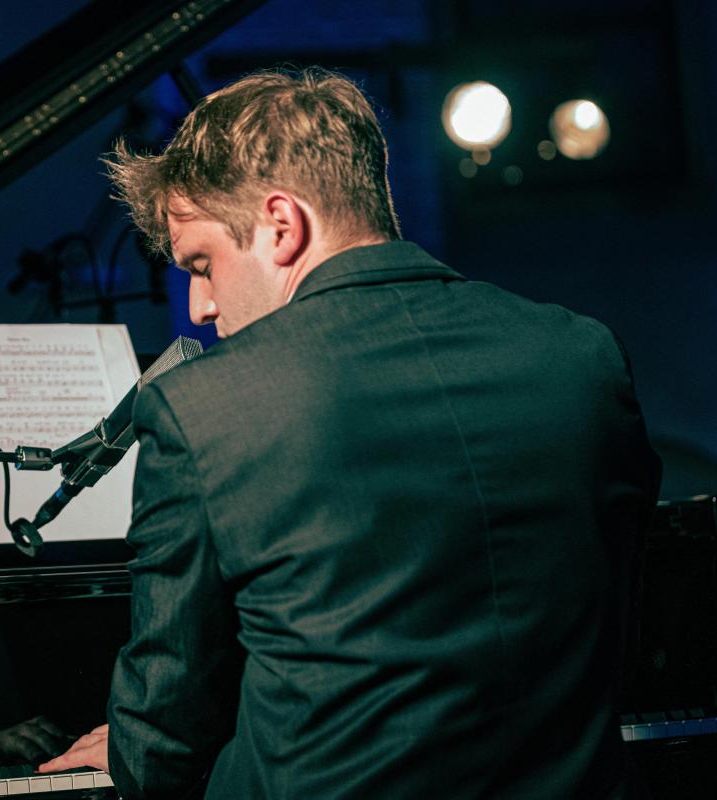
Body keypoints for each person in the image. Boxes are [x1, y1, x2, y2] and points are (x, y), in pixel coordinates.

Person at [39, 68, 661, 798]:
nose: (200, 306)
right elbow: (621, 636)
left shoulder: (201, 408)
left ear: (281, 225)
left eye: (202, 265)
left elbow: (160, 750)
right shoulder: (583, 357)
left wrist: (137, 747)